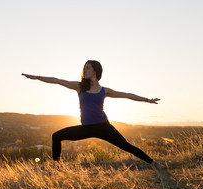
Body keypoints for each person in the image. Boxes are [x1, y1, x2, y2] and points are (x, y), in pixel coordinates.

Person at [22, 60, 165, 170]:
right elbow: (57, 80)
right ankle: (57, 166)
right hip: (86, 128)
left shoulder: (104, 90)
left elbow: (127, 95)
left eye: (87, 67)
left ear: (95, 71)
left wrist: (147, 100)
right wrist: (37, 77)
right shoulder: (79, 86)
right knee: (56, 136)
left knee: (127, 146)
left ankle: (154, 163)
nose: (84, 70)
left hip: (104, 127)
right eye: (84, 68)